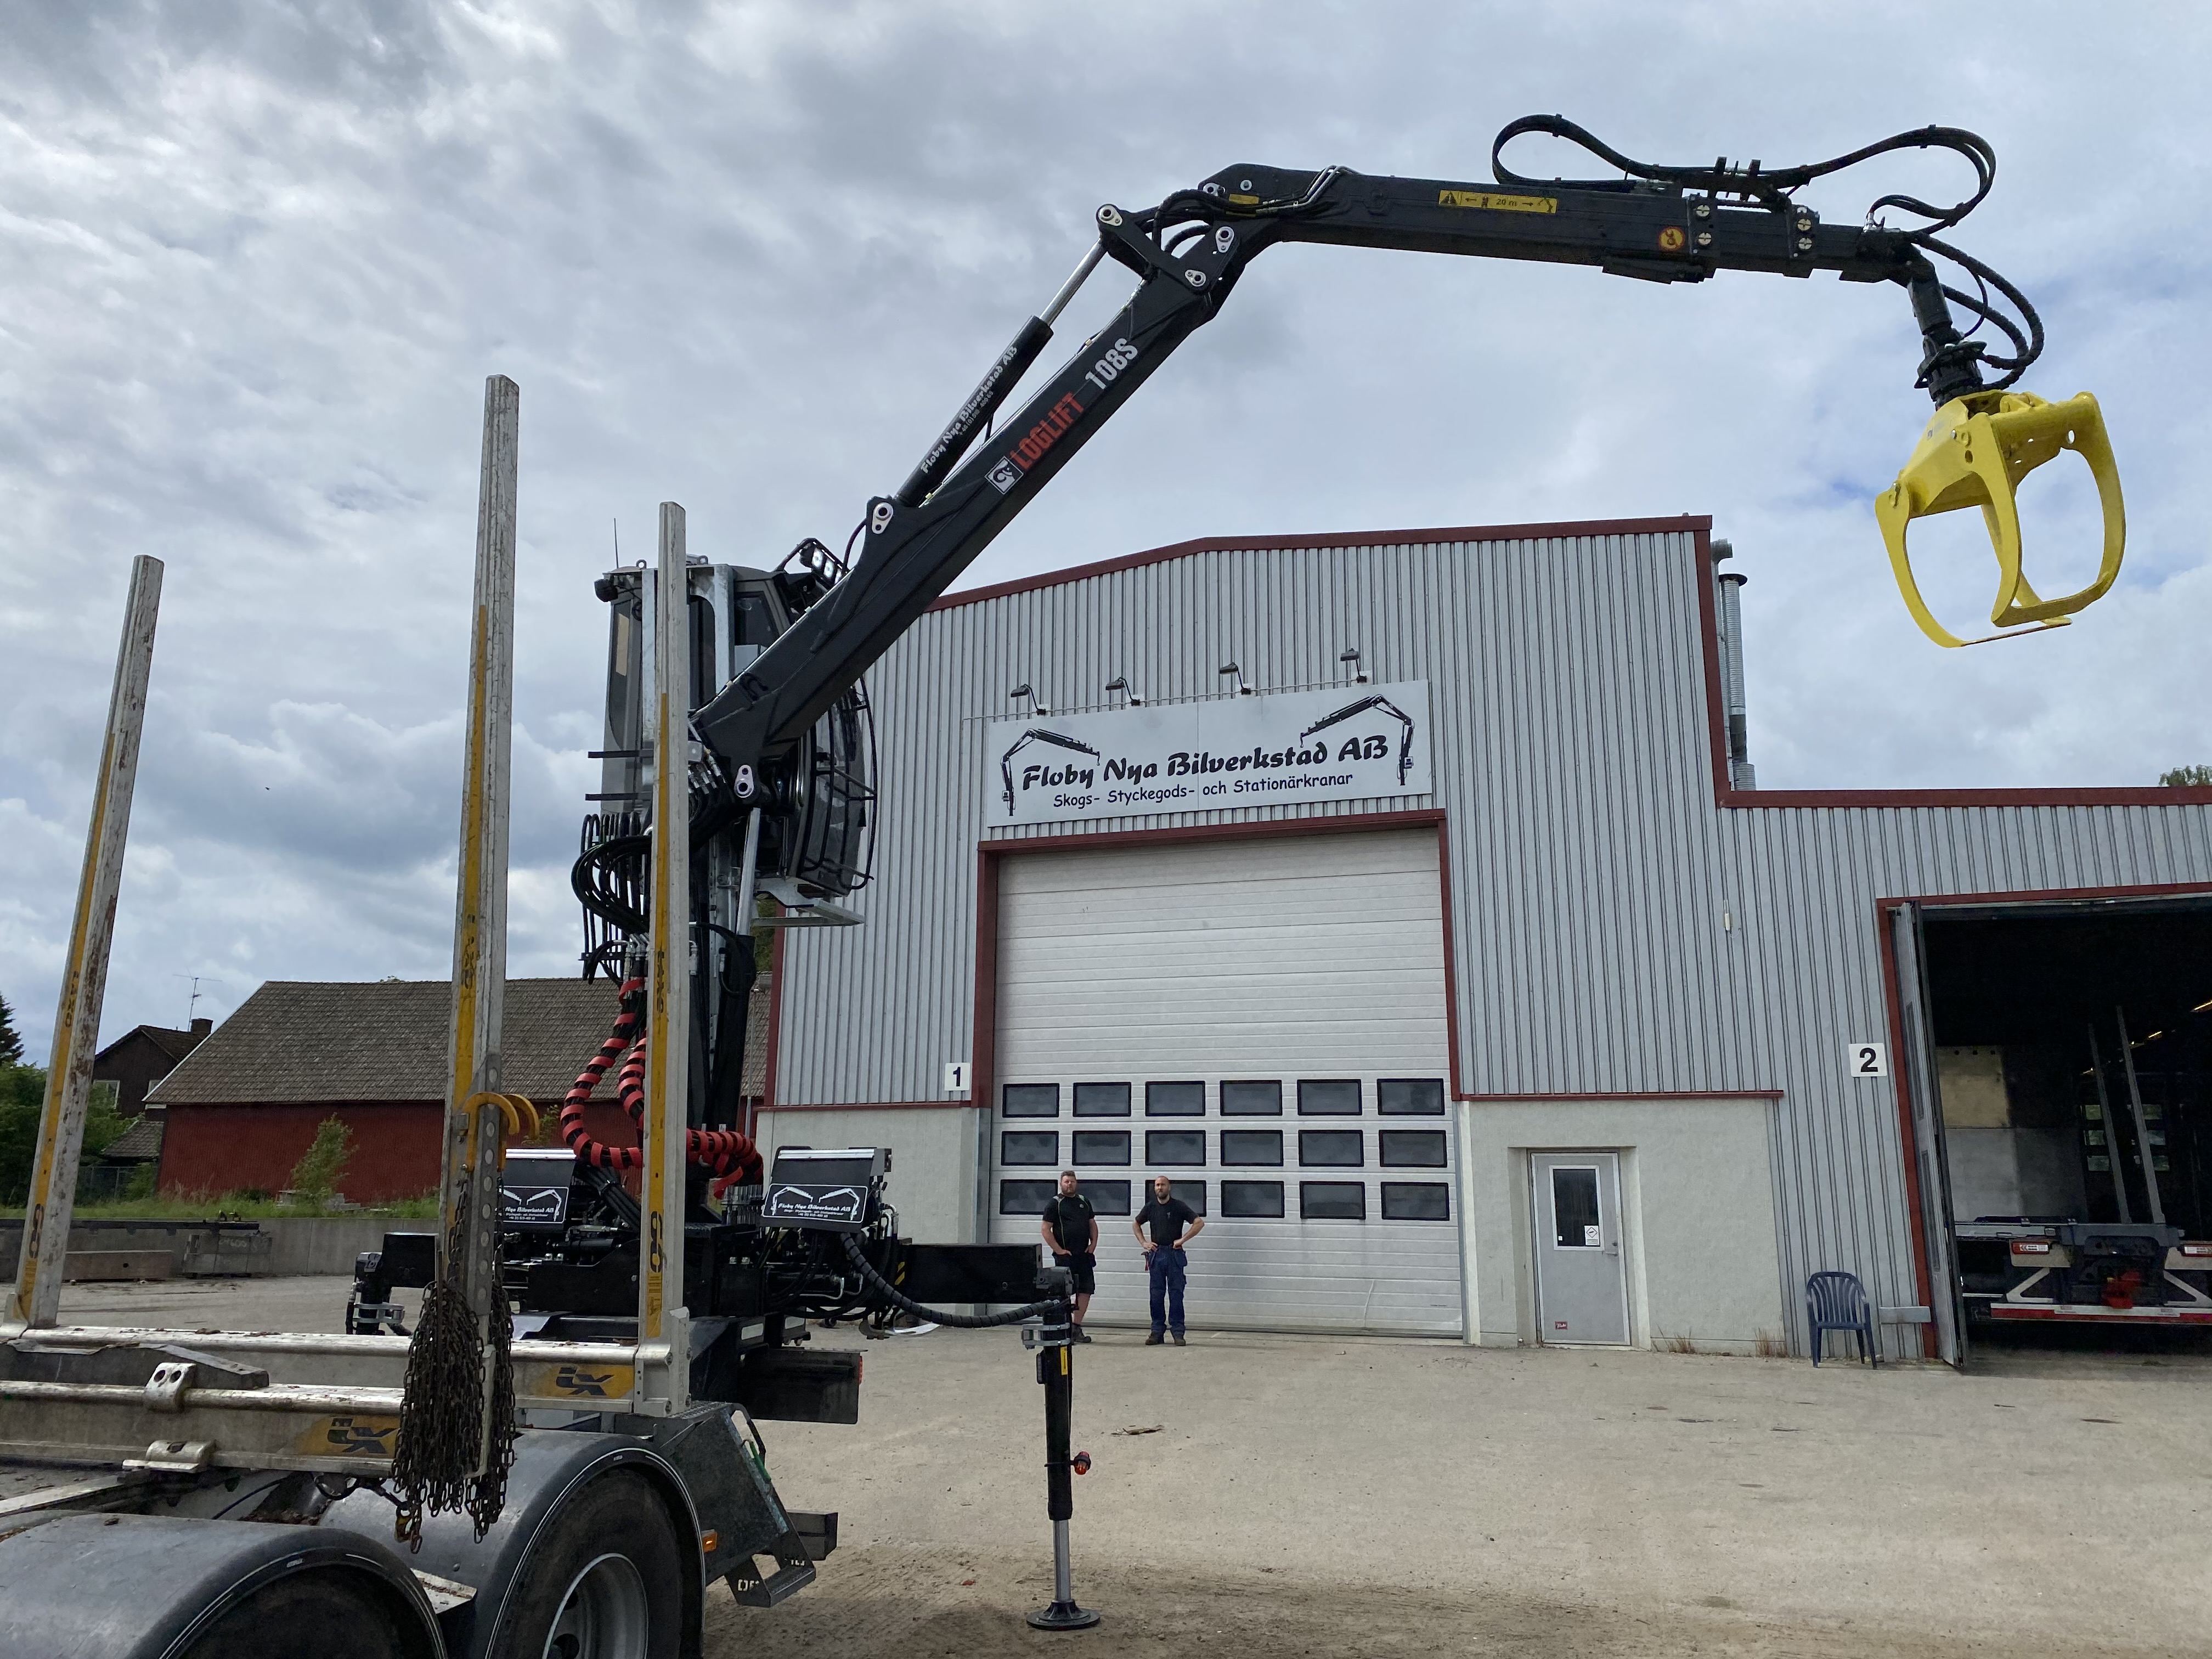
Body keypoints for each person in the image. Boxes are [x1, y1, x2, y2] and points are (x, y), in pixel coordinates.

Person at [1132, 1174, 1203, 1345]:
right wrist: (1144, 1243)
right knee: (1156, 1295)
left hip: (1174, 1254)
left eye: (1163, 1185)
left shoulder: (1178, 1206)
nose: (1160, 1188)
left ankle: (1178, 1333)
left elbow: (1199, 1223)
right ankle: (1157, 1332)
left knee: (1176, 1294)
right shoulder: (1151, 1207)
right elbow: (1136, 1224)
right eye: (1157, 1185)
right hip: (1156, 1255)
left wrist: (1183, 1240)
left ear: (1169, 1187)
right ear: (1154, 1188)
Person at [1040, 1170, 1098, 1341]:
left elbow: (1092, 1224)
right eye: (1066, 1182)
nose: (1069, 1184)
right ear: (1061, 1184)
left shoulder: (1084, 1201)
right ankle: (1063, 1327)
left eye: (1072, 1181)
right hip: (1065, 1257)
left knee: (1086, 1290)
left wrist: (1093, 1244)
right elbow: (1045, 1229)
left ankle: (1076, 1328)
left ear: (1076, 1183)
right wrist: (1059, 1250)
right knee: (1064, 1293)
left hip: (1084, 1256)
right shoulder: (1055, 1204)